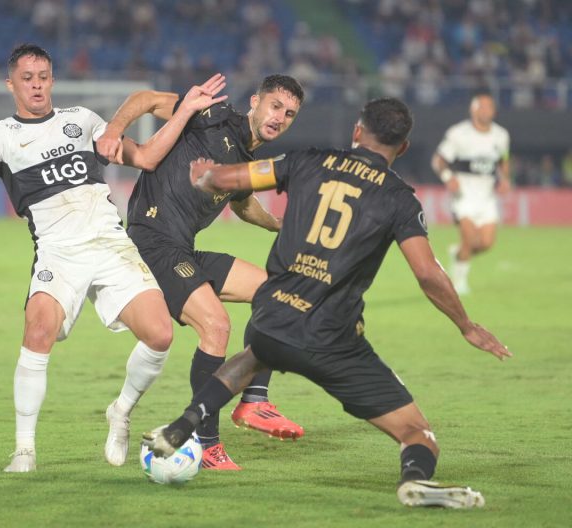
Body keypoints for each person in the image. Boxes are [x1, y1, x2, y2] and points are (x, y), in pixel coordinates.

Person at [143, 97, 512, 508]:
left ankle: (185, 423)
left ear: (357, 132)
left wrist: (207, 176)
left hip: (274, 317)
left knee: (253, 354)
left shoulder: (306, 161)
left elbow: (234, 178)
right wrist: (466, 325)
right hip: (333, 339)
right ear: (403, 148)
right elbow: (427, 273)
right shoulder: (399, 199)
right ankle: (413, 478)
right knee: (417, 432)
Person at [0, 44, 228, 473]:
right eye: (27, 77)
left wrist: (184, 110)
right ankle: (24, 450)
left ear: (52, 80)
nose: (36, 84)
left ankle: (121, 412)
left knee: (160, 335)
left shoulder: (82, 121)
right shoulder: (1, 135)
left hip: (110, 245)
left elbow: (146, 157)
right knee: (38, 330)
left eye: (43, 76)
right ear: (11, 84)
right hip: (59, 251)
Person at [97, 75, 305, 470]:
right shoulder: (213, 115)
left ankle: (255, 400)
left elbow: (244, 206)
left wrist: (282, 226)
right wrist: (113, 130)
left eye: (289, 113)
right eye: (275, 106)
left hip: (183, 250)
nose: (280, 117)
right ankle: (206, 442)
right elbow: (144, 98)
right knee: (217, 325)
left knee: (276, 292)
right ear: (256, 101)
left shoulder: (248, 160)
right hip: (152, 241)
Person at [431, 90, 511, 295]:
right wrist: (449, 178)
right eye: (482, 106)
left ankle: (458, 253)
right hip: (464, 196)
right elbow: (438, 161)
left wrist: (504, 180)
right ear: (473, 109)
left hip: (487, 198)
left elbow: (503, 161)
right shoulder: (458, 134)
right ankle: (458, 283)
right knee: (469, 239)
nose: (486, 111)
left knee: (485, 243)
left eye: (490, 107)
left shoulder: (501, 135)